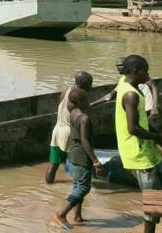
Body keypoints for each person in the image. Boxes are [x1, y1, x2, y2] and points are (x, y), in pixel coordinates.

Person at [116, 54, 162, 233]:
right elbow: (132, 128)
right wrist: (159, 138)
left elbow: (142, 122)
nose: (148, 75)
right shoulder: (130, 95)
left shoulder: (127, 82)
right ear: (136, 71)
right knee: (153, 203)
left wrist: (158, 134)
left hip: (148, 147)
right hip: (137, 153)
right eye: (146, 71)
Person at [52, 88, 103, 230]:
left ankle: (77, 216)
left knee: (77, 184)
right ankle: (61, 214)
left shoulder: (72, 113)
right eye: (86, 99)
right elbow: (85, 141)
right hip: (82, 155)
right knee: (84, 187)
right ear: (80, 102)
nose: (89, 102)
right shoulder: (84, 118)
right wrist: (96, 161)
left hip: (73, 152)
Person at [45, 71, 94, 184]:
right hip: (69, 132)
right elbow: (79, 115)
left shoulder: (66, 90)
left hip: (57, 130)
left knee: (53, 164)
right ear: (84, 84)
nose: (91, 87)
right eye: (90, 84)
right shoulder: (80, 96)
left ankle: (49, 187)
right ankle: (78, 189)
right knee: (79, 164)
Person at [95, 57, 161, 127]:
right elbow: (110, 96)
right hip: (139, 108)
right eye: (117, 66)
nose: (119, 68)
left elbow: (154, 87)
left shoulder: (140, 75)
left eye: (121, 65)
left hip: (148, 108)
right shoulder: (124, 80)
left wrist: (155, 107)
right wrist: (93, 104)